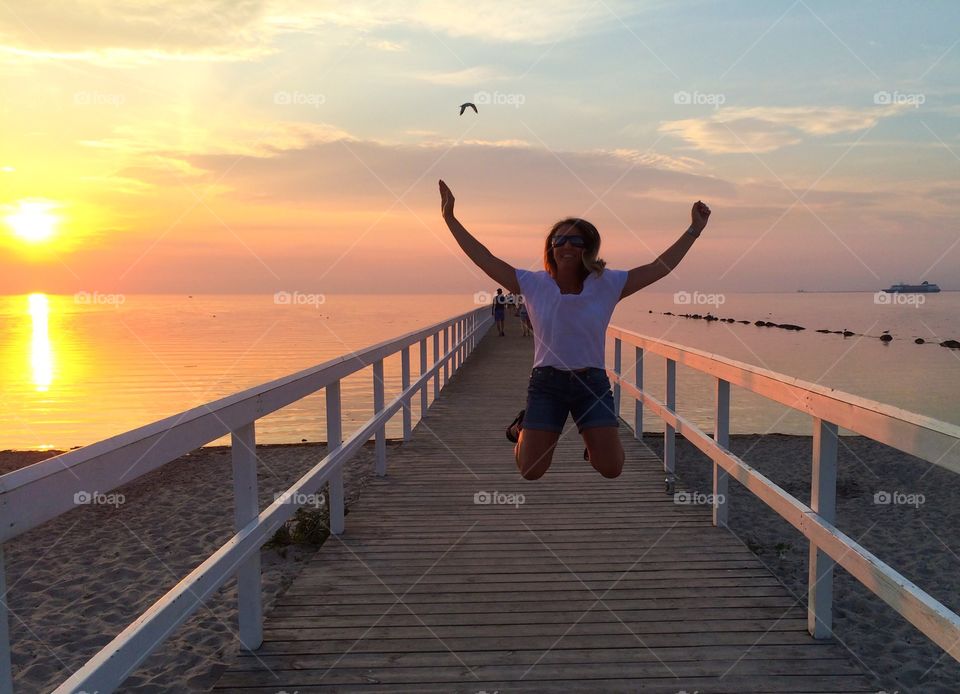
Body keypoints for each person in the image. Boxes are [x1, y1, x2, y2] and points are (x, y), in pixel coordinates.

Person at [439, 179, 710, 479]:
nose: (566, 245)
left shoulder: (608, 283)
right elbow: (485, 257)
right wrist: (450, 219)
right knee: (531, 470)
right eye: (559, 240)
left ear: (588, 248)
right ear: (550, 247)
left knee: (611, 468)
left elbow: (659, 267)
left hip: (591, 383)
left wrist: (693, 230)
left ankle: (594, 445)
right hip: (546, 383)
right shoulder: (531, 283)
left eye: (575, 241)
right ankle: (522, 429)